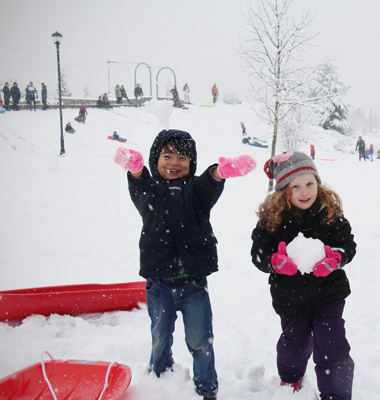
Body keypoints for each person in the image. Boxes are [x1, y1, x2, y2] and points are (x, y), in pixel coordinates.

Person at [113, 129, 257, 400]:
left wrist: (222, 170)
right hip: (159, 283)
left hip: (193, 284)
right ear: (156, 161)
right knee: (160, 337)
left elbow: (210, 181)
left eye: (182, 157)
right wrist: (135, 168)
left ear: (191, 163)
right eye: (167, 156)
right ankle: (159, 380)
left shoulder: (196, 192)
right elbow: (139, 181)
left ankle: (207, 389)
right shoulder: (150, 192)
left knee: (201, 340)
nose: (174, 162)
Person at [251, 151, 356, 400]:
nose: (304, 191)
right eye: (295, 186)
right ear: (283, 190)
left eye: (309, 183)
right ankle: (290, 378)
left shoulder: (329, 213)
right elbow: (258, 254)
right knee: (293, 345)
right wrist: (275, 262)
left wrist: (336, 259)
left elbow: (347, 245)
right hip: (290, 298)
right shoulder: (272, 221)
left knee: (332, 343)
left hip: (328, 294)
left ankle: (336, 395)